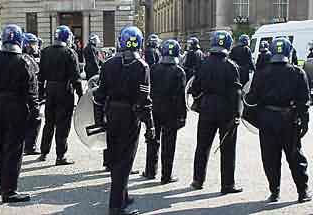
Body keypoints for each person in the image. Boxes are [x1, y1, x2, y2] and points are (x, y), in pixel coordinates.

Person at [94, 26, 155, 215]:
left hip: (111, 114)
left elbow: (98, 96)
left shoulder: (108, 64)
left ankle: (123, 195)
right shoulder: (142, 66)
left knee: (114, 157)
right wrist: (150, 125)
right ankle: (116, 207)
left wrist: (99, 121)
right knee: (124, 161)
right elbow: (144, 101)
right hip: (130, 117)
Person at [245, 37, 312, 203]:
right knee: (295, 156)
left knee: (270, 157)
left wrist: (259, 119)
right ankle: (302, 192)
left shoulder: (261, 73)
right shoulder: (297, 72)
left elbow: (252, 99)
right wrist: (304, 122)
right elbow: (304, 101)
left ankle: (274, 191)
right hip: (290, 119)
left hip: (267, 119)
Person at [0, 24, 37, 203]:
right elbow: (31, 92)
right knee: (14, 148)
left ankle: (0, 184)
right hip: (17, 107)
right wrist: (35, 114)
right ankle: (10, 190)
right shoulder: (24, 61)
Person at [190, 31, 243, 194]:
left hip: (207, 107)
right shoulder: (231, 65)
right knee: (227, 148)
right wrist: (237, 114)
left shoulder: (203, 63)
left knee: (202, 146)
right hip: (226, 109)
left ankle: (197, 180)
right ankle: (227, 185)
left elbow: (194, 88)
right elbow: (236, 93)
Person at [142, 39, 187, 185]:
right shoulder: (179, 71)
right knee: (169, 144)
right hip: (172, 112)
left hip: (155, 109)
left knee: (152, 140)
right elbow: (181, 97)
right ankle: (166, 175)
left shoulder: (153, 68)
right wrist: (183, 116)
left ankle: (150, 170)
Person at [37, 25, 83, 164]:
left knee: (49, 123)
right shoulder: (69, 53)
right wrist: (81, 95)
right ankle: (60, 155)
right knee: (63, 124)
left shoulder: (45, 51)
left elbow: (41, 76)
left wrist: (41, 95)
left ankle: (43, 152)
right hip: (64, 90)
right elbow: (76, 77)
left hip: (50, 90)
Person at [22, 32, 42, 155]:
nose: (34, 46)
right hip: (29, 94)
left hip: (31, 93)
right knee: (34, 119)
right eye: (32, 44)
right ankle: (30, 146)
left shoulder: (30, 56)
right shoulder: (24, 58)